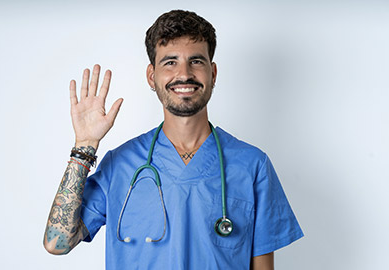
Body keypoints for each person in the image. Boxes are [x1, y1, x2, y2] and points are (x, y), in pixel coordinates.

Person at [43, 9, 303, 270]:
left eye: (196, 61)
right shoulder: (119, 165)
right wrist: (84, 146)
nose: (184, 74)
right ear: (151, 76)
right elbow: (58, 243)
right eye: (170, 62)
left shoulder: (252, 165)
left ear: (213, 73)